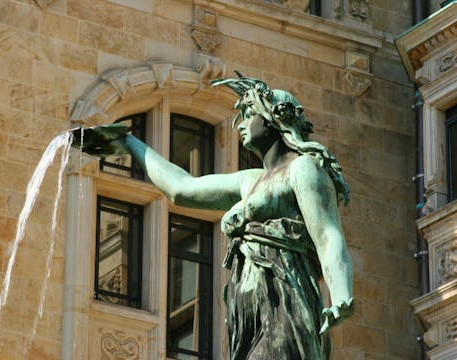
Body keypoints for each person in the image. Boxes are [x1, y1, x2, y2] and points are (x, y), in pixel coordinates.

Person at [75, 73, 354, 360]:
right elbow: (182, 189)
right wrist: (129, 143)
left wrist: (341, 294)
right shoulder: (251, 180)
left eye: (248, 115)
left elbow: (328, 235)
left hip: (285, 300)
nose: (241, 125)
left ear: (272, 120)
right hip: (249, 314)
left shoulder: (303, 169)